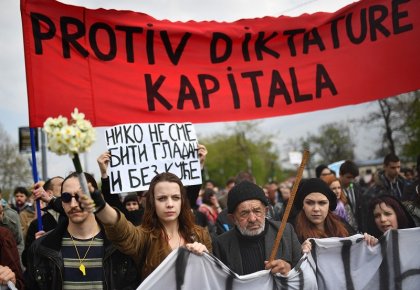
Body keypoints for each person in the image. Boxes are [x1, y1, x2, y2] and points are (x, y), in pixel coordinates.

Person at [80, 172, 212, 282]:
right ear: (152, 202)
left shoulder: (200, 235)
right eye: (162, 198)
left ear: (182, 201)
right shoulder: (144, 237)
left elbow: (212, 278)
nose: (170, 204)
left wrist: (206, 257)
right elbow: (122, 231)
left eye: (176, 197)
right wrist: (101, 206)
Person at [26, 172, 140, 290]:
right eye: (66, 197)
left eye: (81, 196)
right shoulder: (42, 248)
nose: (73, 204)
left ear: (96, 198)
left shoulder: (119, 246)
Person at [212, 180, 302, 275]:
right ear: (232, 218)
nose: (252, 219)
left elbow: (303, 272)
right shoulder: (221, 245)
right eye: (244, 213)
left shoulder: (285, 232)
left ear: (266, 211)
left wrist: (290, 270)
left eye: (257, 211)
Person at [293, 178, 378, 251]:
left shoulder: (341, 224)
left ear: (329, 205)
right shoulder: (293, 233)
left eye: (322, 203)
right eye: (310, 203)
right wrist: (299, 253)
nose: (316, 209)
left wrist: (367, 241)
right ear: (303, 205)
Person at [22, 176, 65, 268]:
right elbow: (26, 260)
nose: (66, 187)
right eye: (62, 185)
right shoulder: (37, 224)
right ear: (49, 193)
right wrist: (37, 245)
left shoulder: (73, 217)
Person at [338, 160, 363, 232]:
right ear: (340, 174)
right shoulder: (335, 190)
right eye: (349, 177)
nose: (351, 180)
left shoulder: (356, 188)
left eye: (354, 178)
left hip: (358, 231)